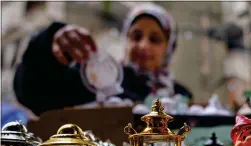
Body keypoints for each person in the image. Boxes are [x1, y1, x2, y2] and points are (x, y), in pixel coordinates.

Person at [14, 3, 193, 116]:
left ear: (169, 48)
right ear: (126, 40)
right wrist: (49, 42)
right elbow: (32, 92)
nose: (143, 46)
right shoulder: (101, 80)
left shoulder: (180, 96)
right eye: (136, 36)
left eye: (155, 39)